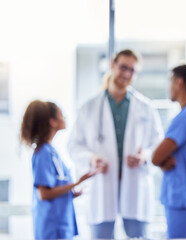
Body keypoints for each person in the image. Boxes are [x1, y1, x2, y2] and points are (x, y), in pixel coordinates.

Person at [68, 49, 163, 239]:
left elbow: (157, 144)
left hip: (135, 185)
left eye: (132, 70)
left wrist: (144, 156)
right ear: (113, 65)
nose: (127, 74)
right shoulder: (89, 107)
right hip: (102, 186)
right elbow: (74, 145)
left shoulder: (146, 107)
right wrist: (91, 158)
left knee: (139, 236)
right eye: (123, 67)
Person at [20, 100, 94, 240]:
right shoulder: (43, 153)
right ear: (52, 121)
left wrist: (71, 193)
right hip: (51, 228)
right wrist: (76, 183)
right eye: (62, 114)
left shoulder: (51, 151)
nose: (65, 117)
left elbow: (55, 187)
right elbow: (44, 194)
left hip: (60, 225)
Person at [152, 64, 186, 239]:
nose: (168, 87)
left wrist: (161, 161)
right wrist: (163, 162)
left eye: (170, 81)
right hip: (184, 200)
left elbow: (155, 157)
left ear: (179, 83)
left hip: (184, 201)